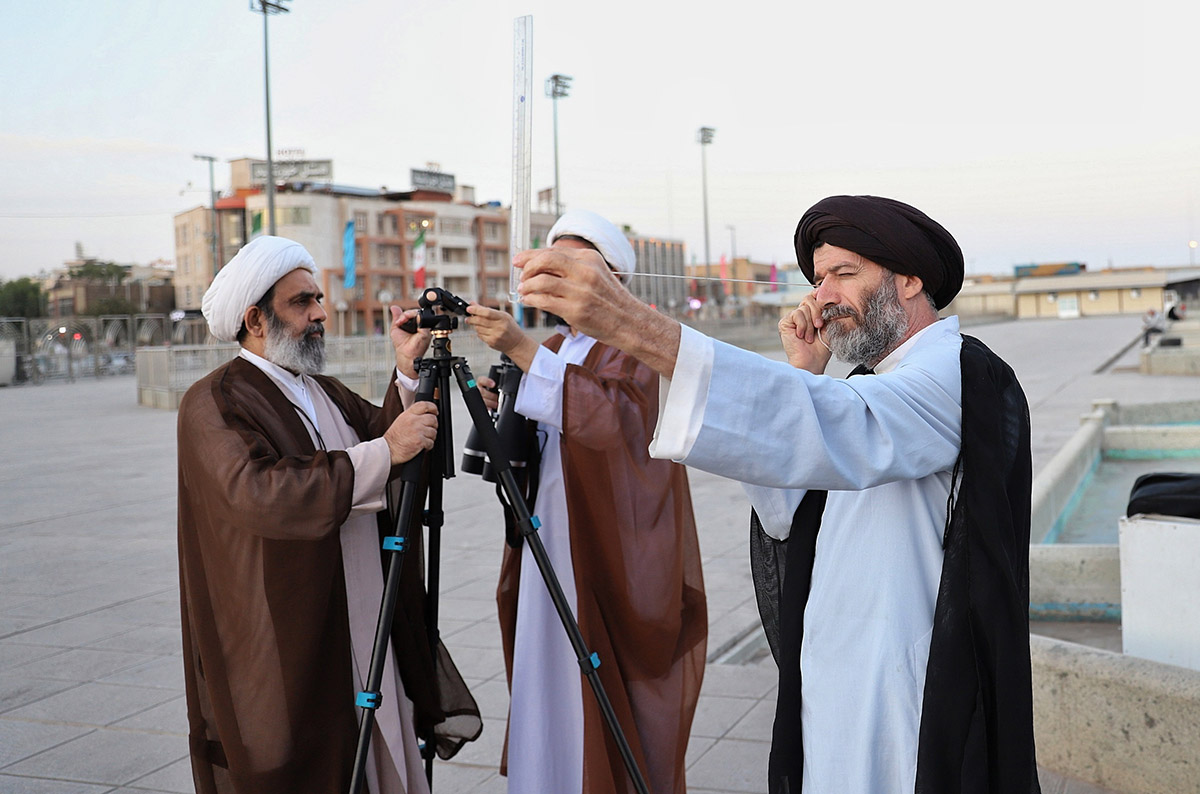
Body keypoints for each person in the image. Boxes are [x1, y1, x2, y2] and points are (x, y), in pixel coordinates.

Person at [513, 196, 1040, 794]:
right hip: (832, 672)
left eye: (846, 274)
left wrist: (637, 328)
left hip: (901, 684)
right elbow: (789, 512)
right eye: (819, 280)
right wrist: (803, 373)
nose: (824, 296)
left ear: (912, 278)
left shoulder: (954, 372)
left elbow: (850, 427)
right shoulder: (872, 381)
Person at [177, 236, 480, 794]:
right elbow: (260, 493)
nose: (320, 313)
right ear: (256, 319)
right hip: (292, 630)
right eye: (302, 302)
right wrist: (387, 450)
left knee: (376, 752)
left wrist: (407, 373)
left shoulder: (322, 391)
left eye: (318, 298)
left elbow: (389, 443)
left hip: (364, 618)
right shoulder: (213, 402)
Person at [462, 210, 707, 794]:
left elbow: (611, 424)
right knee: (545, 669)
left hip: (601, 549)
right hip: (546, 538)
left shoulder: (634, 347)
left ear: (610, 282)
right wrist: (511, 391)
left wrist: (523, 352)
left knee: (591, 674)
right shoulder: (555, 344)